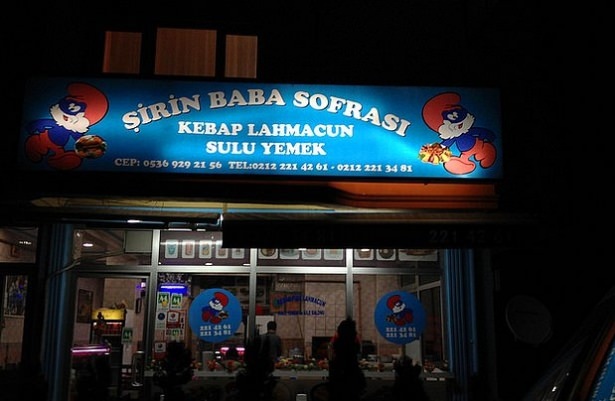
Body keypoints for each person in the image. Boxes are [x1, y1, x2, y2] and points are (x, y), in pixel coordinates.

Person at [328, 317, 366, 401]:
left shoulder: (337, 351)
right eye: (354, 331)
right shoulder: (352, 352)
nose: (356, 333)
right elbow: (361, 384)